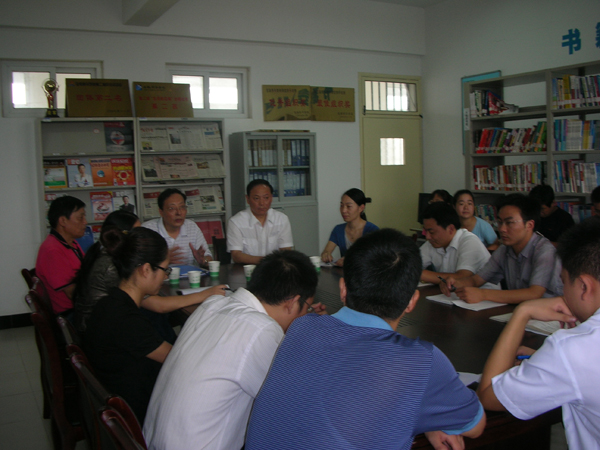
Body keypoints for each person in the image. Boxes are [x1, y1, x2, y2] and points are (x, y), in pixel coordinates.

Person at [245, 229, 486, 450]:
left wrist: (425, 418)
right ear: (412, 301)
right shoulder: (420, 361)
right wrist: (429, 418)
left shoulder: (302, 327)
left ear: (343, 289)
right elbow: (475, 427)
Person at [143, 251, 325, 450]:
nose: (305, 315)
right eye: (306, 307)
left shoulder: (212, 304)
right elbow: (295, 404)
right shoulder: (262, 330)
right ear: (292, 302)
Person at [477, 219, 600, 450]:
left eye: (564, 283)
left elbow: (488, 396)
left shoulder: (572, 349)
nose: (563, 292)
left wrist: (523, 312)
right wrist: (545, 361)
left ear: (584, 286)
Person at [72, 210, 226, 334]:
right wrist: (205, 294)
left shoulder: (106, 253)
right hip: (100, 331)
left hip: (106, 324)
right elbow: (158, 305)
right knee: (156, 318)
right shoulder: (112, 264)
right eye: (136, 233)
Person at [84, 227, 173, 424]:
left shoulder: (110, 303)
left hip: (118, 401)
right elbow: (177, 358)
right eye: (165, 270)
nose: (166, 277)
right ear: (146, 270)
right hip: (134, 414)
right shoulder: (126, 320)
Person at [441, 194, 563, 304]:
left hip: (550, 316)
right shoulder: (504, 250)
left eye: (509, 223)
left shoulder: (544, 251)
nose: (502, 229)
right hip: (519, 311)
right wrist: (455, 283)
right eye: (499, 222)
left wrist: (483, 294)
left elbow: (534, 293)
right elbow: (476, 280)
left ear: (529, 225)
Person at [36, 196, 87, 316]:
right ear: (63, 221)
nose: (85, 222)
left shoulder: (71, 243)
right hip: (70, 313)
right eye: (80, 218)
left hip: (79, 307)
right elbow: (72, 293)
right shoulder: (52, 250)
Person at [420, 202, 490, 286]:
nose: (427, 237)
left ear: (450, 229)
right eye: (425, 231)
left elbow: (463, 278)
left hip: (486, 293)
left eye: (431, 232)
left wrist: (420, 274)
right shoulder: (433, 242)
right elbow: (411, 264)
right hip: (451, 293)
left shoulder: (469, 241)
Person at [226, 179, 293, 264]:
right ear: (248, 199)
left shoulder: (281, 219)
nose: (262, 203)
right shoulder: (236, 222)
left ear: (271, 198)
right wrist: (266, 261)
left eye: (266, 198)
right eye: (256, 198)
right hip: (245, 269)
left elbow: (286, 251)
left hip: (273, 268)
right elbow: (236, 255)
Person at [142, 188, 212, 268]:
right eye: (172, 208)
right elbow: (139, 265)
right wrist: (163, 260)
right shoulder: (147, 230)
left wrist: (203, 261)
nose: (179, 213)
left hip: (188, 275)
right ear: (161, 212)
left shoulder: (192, 227)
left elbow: (208, 258)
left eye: (182, 207)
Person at [321, 188, 379, 266]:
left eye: (349, 206)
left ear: (361, 208)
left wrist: (350, 260)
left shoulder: (372, 231)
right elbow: (326, 251)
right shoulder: (338, 230)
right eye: (341, 206)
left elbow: (375, 258)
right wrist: (326, 254)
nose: (343, 210)